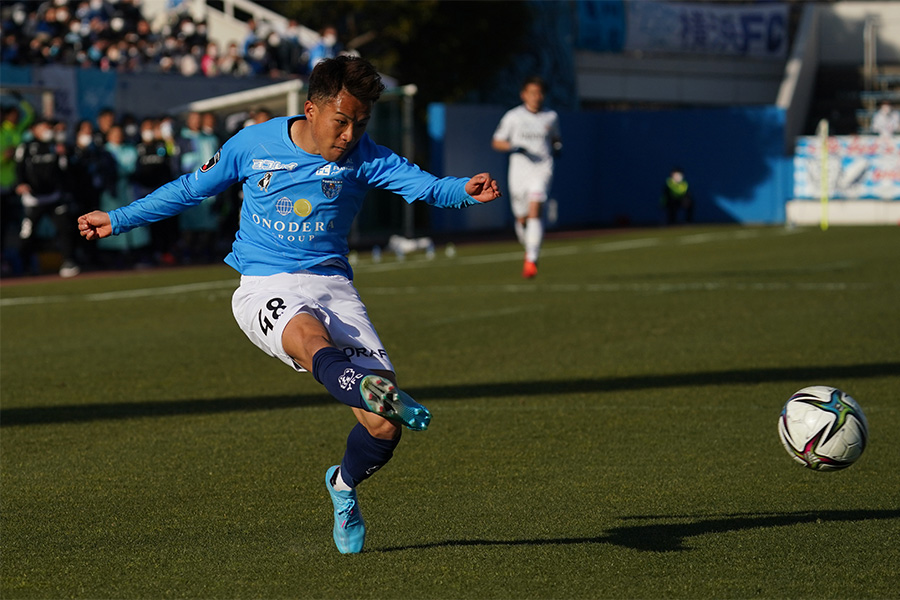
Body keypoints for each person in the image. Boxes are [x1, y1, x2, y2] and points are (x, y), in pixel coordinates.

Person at [77, 56, 501, 554]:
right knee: (308, 337)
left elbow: (426, 186)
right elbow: (191, 189)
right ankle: (351, 379)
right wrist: (120, 218)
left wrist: (465, 191)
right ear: (311, 109)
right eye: (341, 121)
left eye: (360, 123)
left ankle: (342, 485)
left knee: (384, 426)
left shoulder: (366, 157)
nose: (349, 134)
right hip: (263, 283)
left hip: (333, 286)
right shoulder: (254, 143)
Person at [492, 76, 561, 279]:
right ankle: (528, 243)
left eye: (539, 93)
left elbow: (556, 138)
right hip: (519, 172)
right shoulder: (513, 117)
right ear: (523, 95)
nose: (536, 97)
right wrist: (514, 146)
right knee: (522, 218)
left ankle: (531, 259)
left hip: (542, 169)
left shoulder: (551, 116)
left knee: (535, 209)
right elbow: (497, 142)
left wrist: (557, 146)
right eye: (532, 93)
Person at [15, 118, 80, 277]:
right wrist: (20, 184)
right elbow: (19, 168)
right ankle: (23, 265)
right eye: (44, 127)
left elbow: (65, 170)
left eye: (50, 128)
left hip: (54, 196)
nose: (48, 130)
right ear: (35, 129)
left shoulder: (56, 146)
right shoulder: (26, 147)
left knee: (65, 227)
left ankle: (68, 262)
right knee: (27, 233)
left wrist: (63, 155)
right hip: (34, 199)